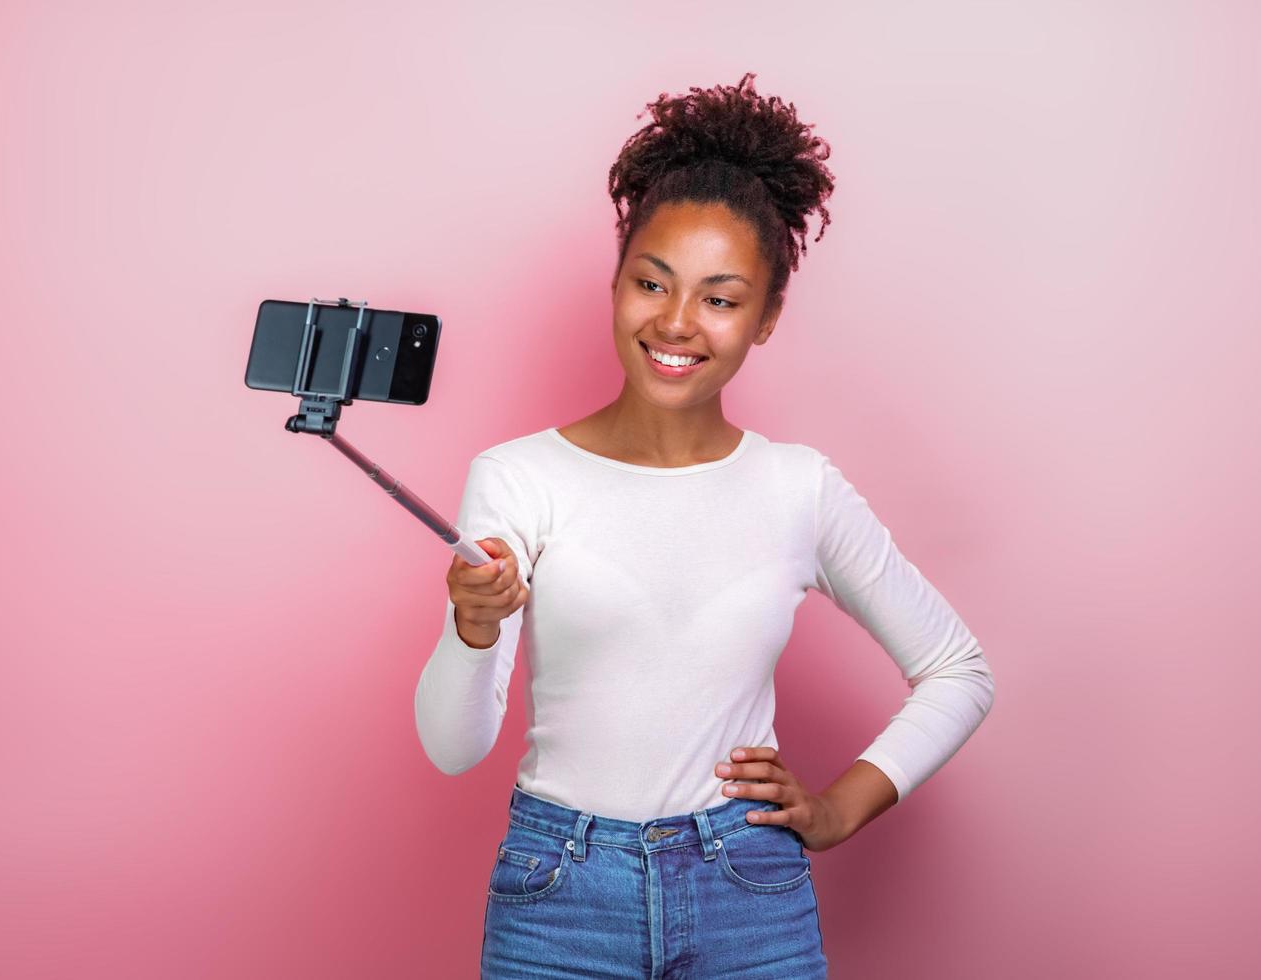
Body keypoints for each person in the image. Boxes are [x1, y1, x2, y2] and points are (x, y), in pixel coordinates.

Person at [414, 72, 995, 979]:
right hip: (559, 897)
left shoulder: (796, 488)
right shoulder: (519, 476)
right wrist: (472, 626)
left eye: (720, 299)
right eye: (652, 282)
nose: (676, 322)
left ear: (765, 319)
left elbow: (958, 671)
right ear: (617, 281)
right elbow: (453, 749)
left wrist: (840, 808)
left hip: (747, 892)